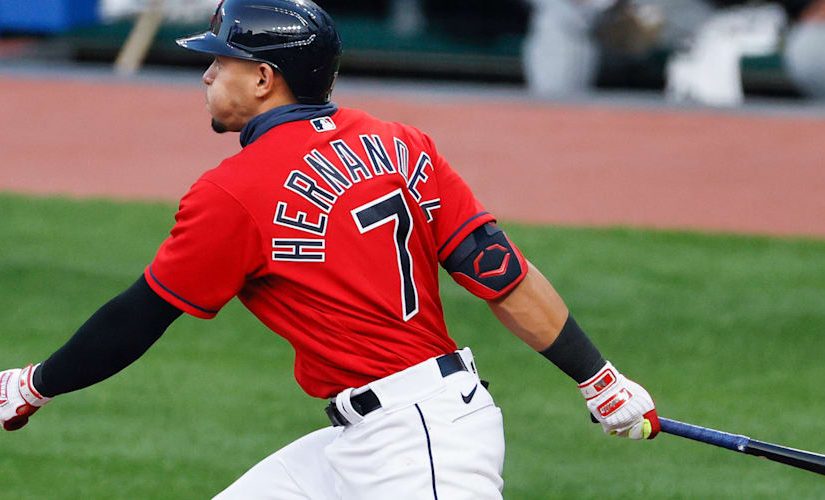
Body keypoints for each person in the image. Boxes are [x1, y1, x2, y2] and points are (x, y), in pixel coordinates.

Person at [0, 0, 660, 498]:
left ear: (264, 79)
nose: (206, 75)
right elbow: (497, 270)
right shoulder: (400, 143)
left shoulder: (234, 191)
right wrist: (598, 379)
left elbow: (141, 314)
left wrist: (35, 386)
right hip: (374, 437)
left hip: (417, 448)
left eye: (220, 61)